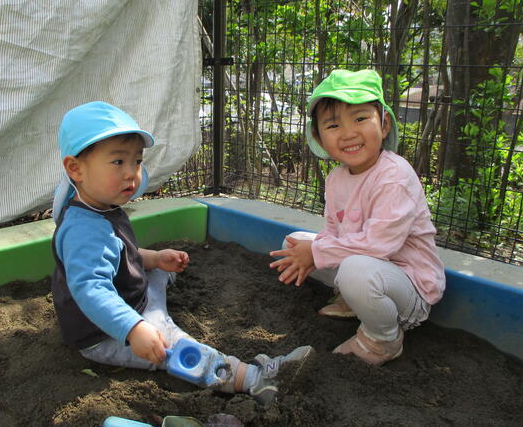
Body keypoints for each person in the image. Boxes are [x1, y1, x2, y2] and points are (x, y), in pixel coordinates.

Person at [50, 101, 314, 404]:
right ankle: (255, 380)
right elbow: (92, 290)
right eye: (117, 162)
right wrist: (133, 328)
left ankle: (154, 302)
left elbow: (120, 250)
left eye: (136, 162)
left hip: (131, 300)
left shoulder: (99, 206)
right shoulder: (83, 231)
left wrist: (153, 258)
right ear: (75, 168)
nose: (131, 174)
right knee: (174, 348)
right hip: (104, 334)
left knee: (159, 272)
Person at [269, 69, 445, 366]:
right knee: (295, 243)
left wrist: (317, 252)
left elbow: (379, 246)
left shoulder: (394, 176)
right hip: (369, 269)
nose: (349, 133)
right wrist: (310, 250)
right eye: (334, 124)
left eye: (361, 118)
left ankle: (384, 340)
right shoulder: (337, 179)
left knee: (353, 269)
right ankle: (352, 299)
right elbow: (333, 233)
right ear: (320, 138)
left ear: (384, 124)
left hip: (409, 290)